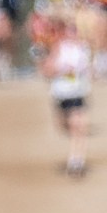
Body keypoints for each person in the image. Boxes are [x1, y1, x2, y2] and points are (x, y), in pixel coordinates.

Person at [40, 18, 92, 177]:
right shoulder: (58, 48)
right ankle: (75, 159)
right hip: (62, 93)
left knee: (79, 126)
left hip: (77, 93)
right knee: (64, 125)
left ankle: (76, 161)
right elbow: (47, 70)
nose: (72, 34)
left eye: (74, 30)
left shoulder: (84, 49)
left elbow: (89, 69)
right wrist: (59, 69)